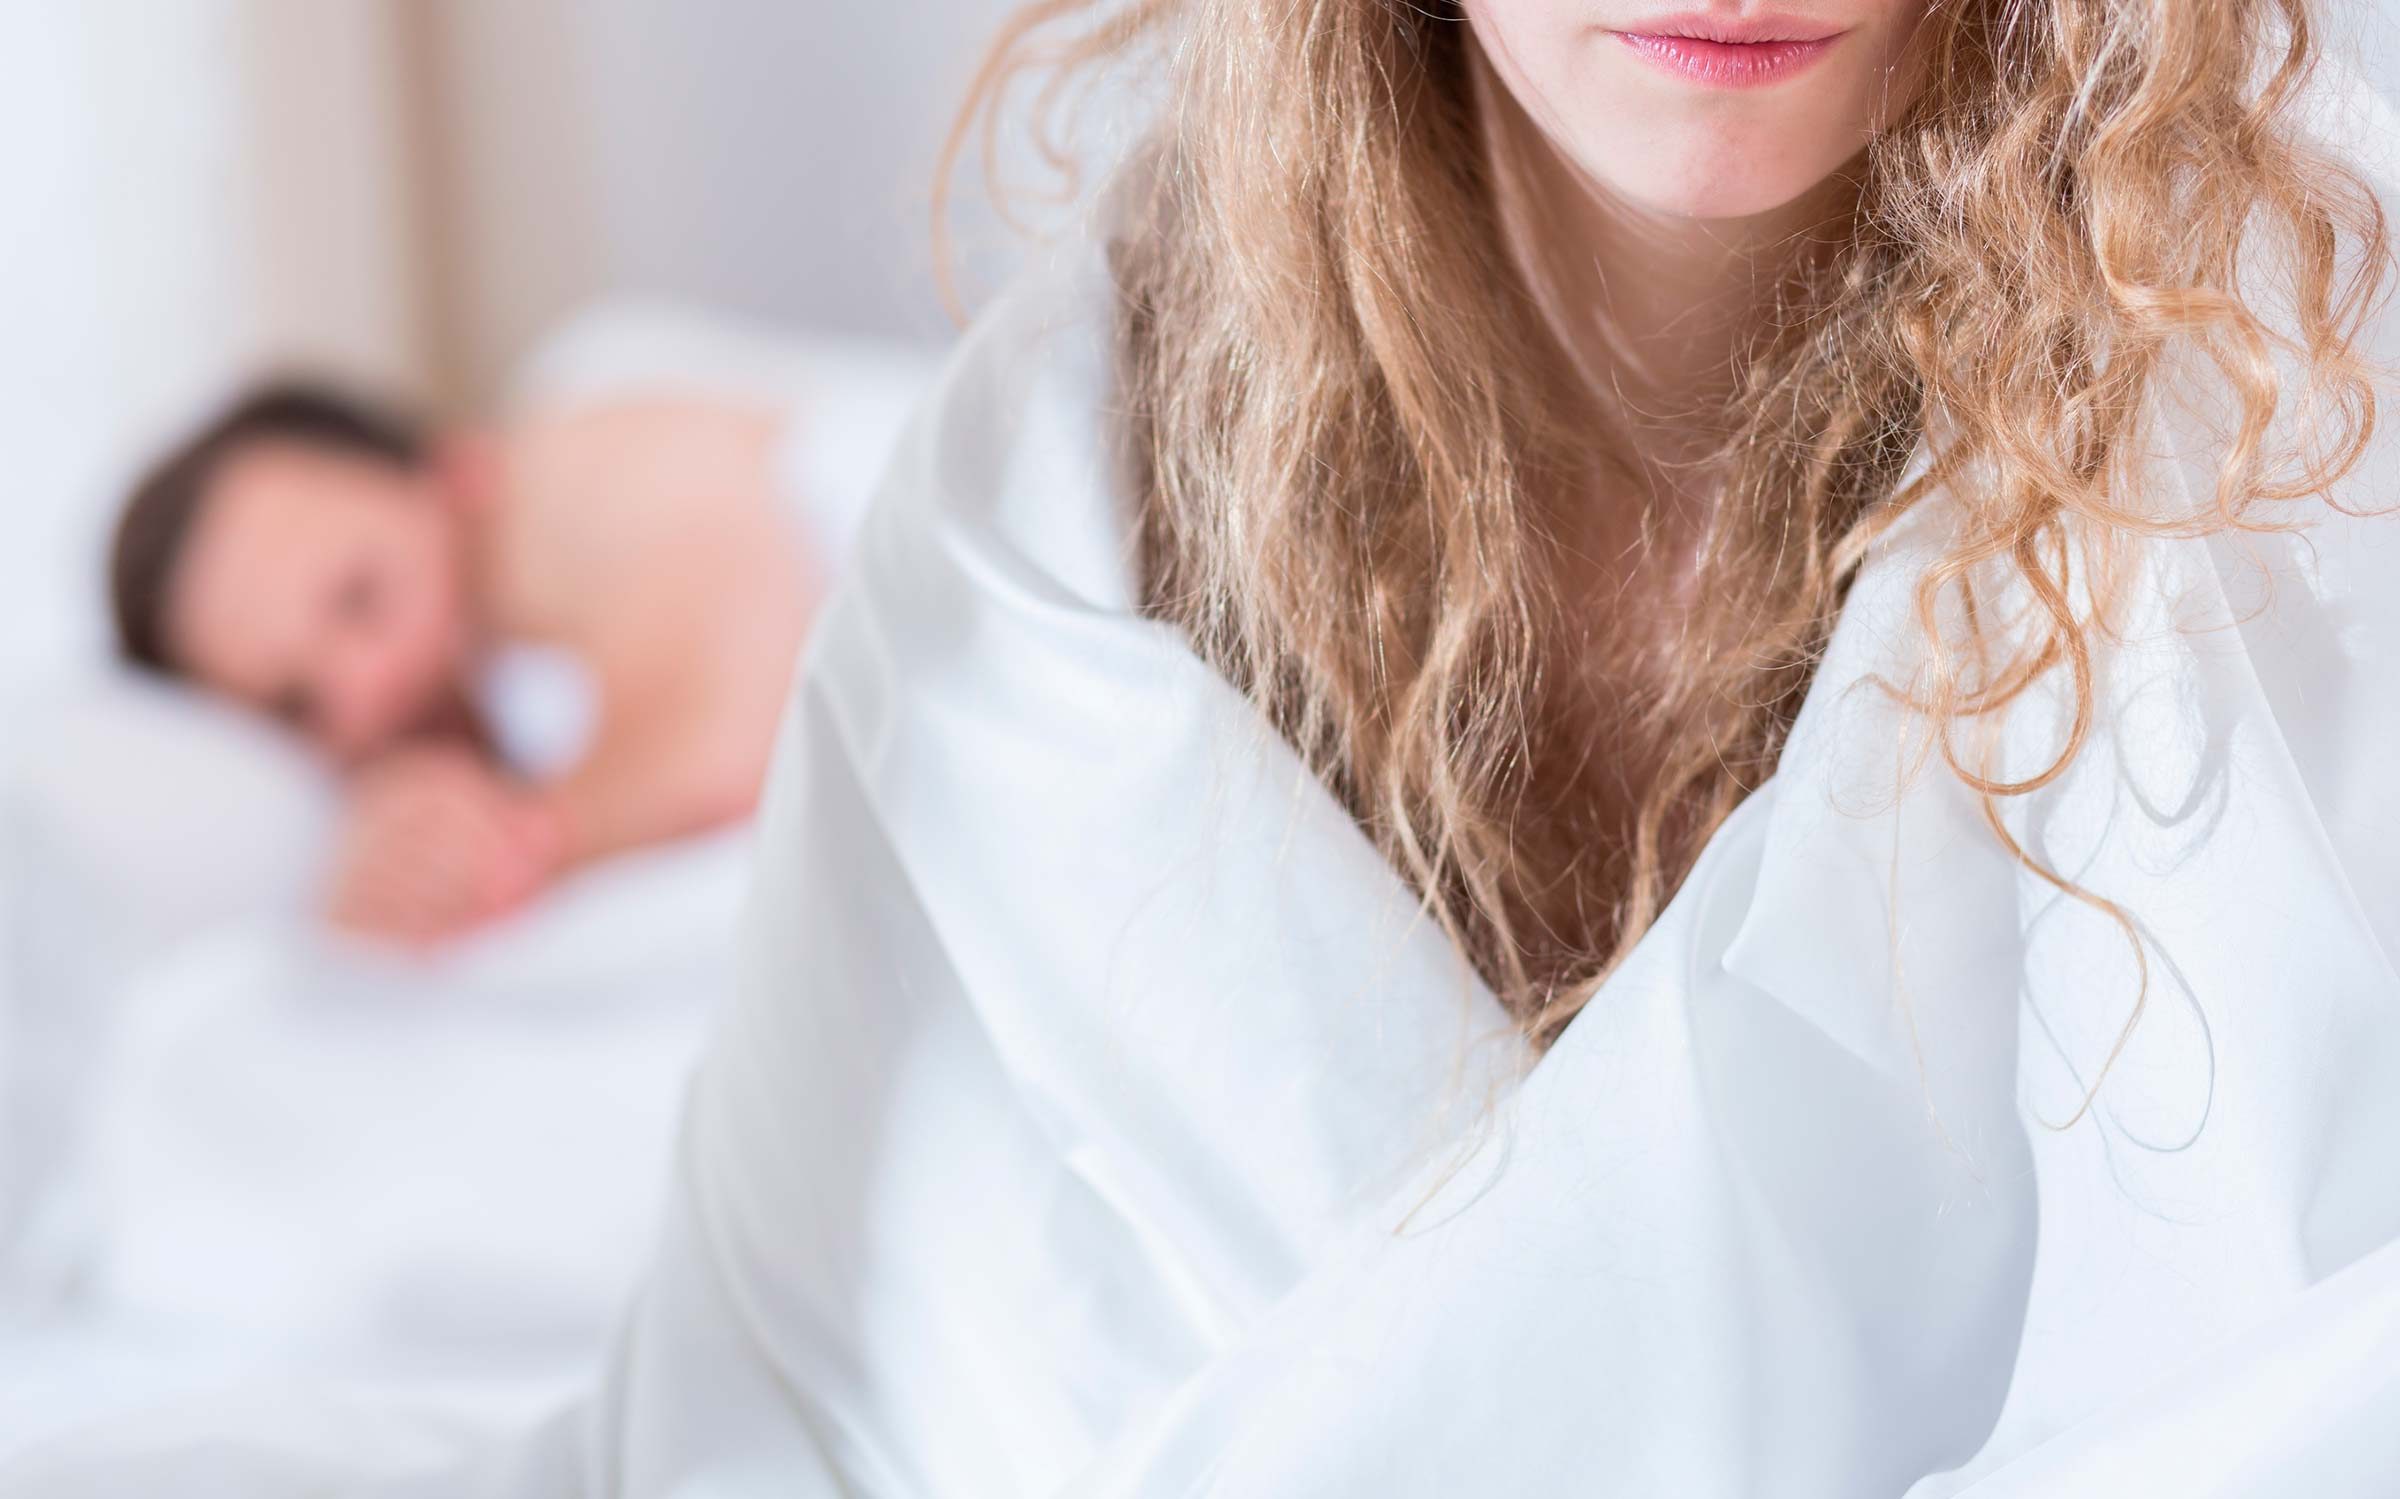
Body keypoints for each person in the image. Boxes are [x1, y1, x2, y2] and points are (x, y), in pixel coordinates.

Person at [14, 0, 2400, 1493]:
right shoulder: (1069, 487)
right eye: (298, 702)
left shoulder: (2279, 377)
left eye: (333, 607)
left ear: (427, 482)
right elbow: (879, 1380)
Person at [106, 380, 830, 944]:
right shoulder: (479, 734)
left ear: (458, 472)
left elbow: (729, 741)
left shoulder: (581, 467)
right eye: (298, 704)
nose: (362, 691)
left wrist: (514, 842)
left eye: (362, 597)